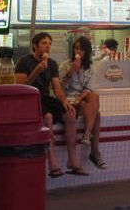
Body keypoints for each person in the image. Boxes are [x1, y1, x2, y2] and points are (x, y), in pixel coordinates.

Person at [16, 32, 87, 177]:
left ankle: (72, 161)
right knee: (47, 117)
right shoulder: (24, 62)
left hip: (46, 98)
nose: (48, 46)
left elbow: (57, 87)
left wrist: (64, 101)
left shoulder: (52, 63)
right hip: (30, 99)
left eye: (49, 43)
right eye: (44, 43)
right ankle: (52, 164)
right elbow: (21, 86)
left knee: (71, 115)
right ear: (35, 46)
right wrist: (37, 71)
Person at [61, 37, 107, 169]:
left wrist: (80, 99)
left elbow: (89, 89)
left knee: (94, 97)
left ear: (86, 51)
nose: (78, 51)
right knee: (96, 115)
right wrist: (72, 70)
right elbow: (60, 87)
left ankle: (87, 134)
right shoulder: (65, 65)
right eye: (76, 48)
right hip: (68, 101)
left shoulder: (90, 68)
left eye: (81, 49)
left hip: (81, 100)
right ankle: (94, 152)